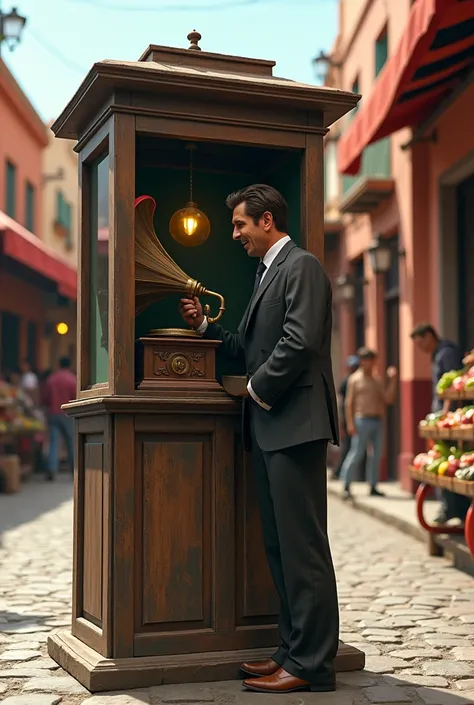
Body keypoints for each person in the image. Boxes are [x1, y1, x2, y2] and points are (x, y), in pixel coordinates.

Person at [180, 184, 339, 694]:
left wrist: (255, 388)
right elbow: (251, 346)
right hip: (274, 428)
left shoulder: (303, 266)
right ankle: (292, 651)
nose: (235, 234)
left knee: (303, 550)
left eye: (240, 225)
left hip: (295, 428)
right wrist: (205, 326)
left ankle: (312, 664)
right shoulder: (268, 272)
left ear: (267, 221)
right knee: (280, 548)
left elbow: (301, 341)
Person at [410, 323, 471, 523]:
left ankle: (453, 509)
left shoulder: (446, 353)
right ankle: (451, 508)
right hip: (446, 420)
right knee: (445, 463)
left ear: (429, 336)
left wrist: (445, 416)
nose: (421, 349)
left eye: (421, 344)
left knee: (451, 465)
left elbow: (453, 386)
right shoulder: (438, 353)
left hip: (452, 419)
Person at [340, 347, 397, 499]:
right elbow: (349, 403)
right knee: (357, 453)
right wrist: (350, 423)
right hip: (361, 419)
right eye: (367, 361)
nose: (370, 364)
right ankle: (346, 484)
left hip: (377, 420)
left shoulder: (376, 380)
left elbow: (387, 399)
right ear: (362, 361)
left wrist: (392, 380)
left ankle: (373, 485)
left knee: (376, 455)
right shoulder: (354, 379)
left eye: (372, 361)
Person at [42, 357, 76, 482]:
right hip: (67, 413)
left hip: (53, 413)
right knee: (71, 442)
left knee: (54, 442)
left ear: (58, 364)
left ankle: (52, 469)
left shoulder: (51, 379)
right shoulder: (72, 379)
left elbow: (45, 397)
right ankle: (74, 470)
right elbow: (75, 397)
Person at [331, 354, 359, 480]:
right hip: (349, 419)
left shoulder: (356, 379)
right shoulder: (347, 381)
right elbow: (343, 403)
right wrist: (344, 420)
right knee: (348, 446)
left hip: (357, 417)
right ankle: (339, 473)